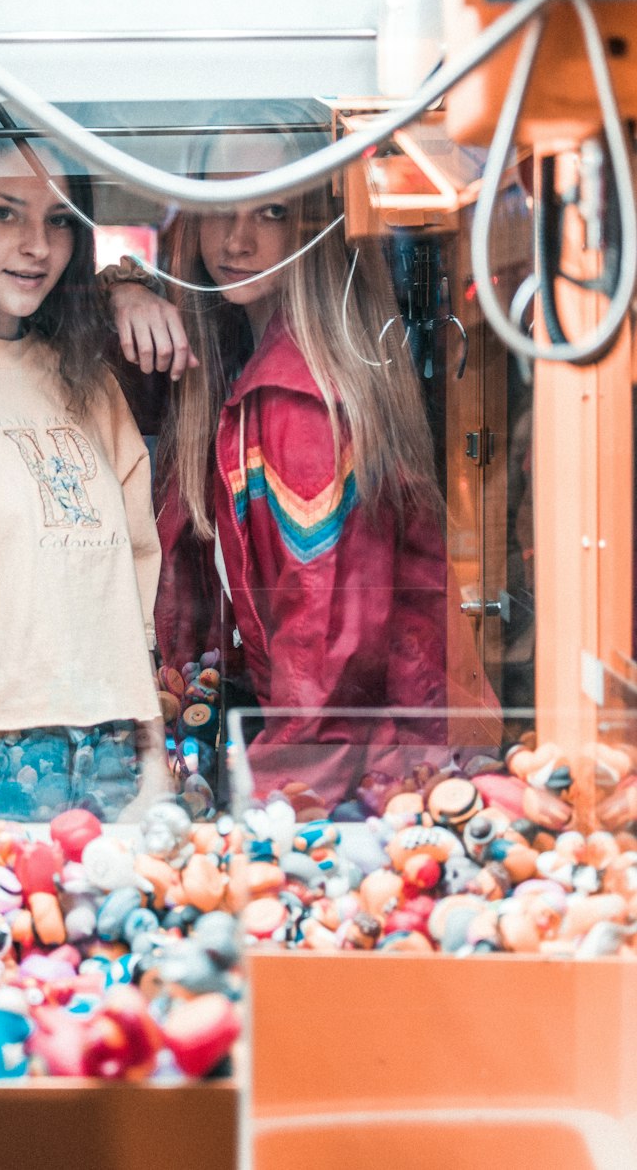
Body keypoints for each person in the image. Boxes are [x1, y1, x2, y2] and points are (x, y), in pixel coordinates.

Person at [109, 111, 465, 809]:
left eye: (270, 210)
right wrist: (120, 291)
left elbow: (322, 671)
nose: (237, 240)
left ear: (312, 225)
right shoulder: (239, 361)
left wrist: (252, 810)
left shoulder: (300, 402)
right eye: (219, 206)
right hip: (350, 770)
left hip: (360, 789)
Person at [0, 130, 169, 822]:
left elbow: (132, 597)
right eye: (4, 213)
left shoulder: (92, 385)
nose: (37, 246)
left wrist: (154, 766)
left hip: (109, 757)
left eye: (59, 222)